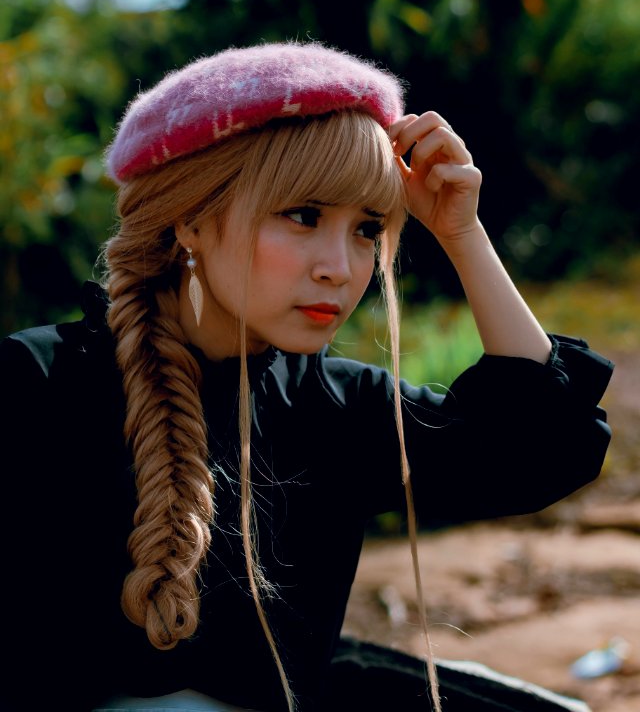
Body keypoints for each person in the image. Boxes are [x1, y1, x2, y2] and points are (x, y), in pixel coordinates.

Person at [1, 42, 612, 712]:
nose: (340, 268)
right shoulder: (34, 386)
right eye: (304, 215)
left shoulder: (336, 405)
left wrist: (463, 235)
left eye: (366, 229)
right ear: (191, 218)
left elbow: (539, 453)